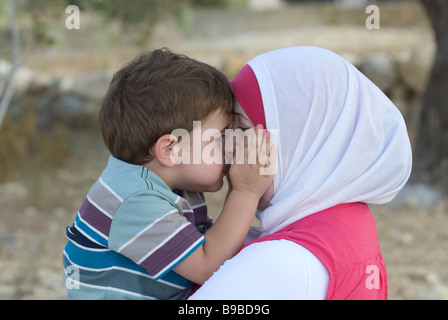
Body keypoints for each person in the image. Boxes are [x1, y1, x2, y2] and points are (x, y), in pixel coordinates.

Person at [189, 46, 412, 300]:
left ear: (298, 140)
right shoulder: (349, 223)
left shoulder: (283, 263)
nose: (228, 147)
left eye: (242, 128)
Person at [62, 48, 275, 300]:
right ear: (171, 150)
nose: (232, 145)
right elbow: (208, 266)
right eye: (219, 137)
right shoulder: (135, 201)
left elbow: (213, 242)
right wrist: (246, 191)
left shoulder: (169, 182)